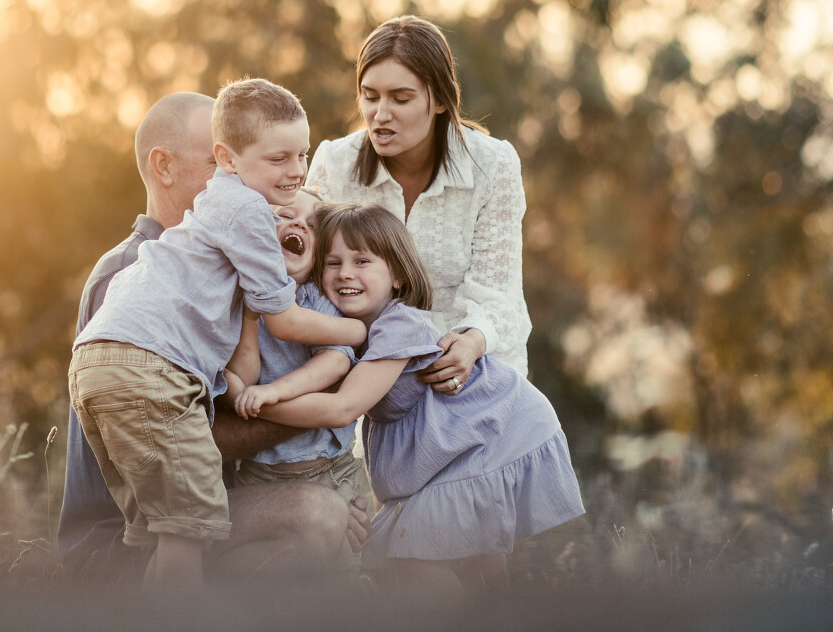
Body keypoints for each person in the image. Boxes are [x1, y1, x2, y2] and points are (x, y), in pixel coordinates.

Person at [68, 81, 367, 587]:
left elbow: (236, 380)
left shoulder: (214, 254)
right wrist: (340, 386)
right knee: (206, 532)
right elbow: (199, 426)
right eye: (216, 162)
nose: (293, 173)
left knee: (320, 528)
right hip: (110, 547)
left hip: (159, 489)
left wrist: (329, 480)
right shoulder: (135, 271)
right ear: (166, 166)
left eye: (301, 157)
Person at [245, 203, 584, 586]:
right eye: (332, 263)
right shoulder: (341, 324)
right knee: (460, 562)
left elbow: (343, 407)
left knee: (415, 562)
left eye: (362, 261)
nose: (345, 273)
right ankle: (494, 607)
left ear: (399, 277)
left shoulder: (401, 323)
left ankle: (487, 607)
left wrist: (260, 402)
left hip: (485, 431)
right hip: (446, 444)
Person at [305, 15, 532, 390]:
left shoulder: (493, 165)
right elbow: (309, 278)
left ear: (441, 99)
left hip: (472, 370)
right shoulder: (335, 162)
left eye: (401, 98)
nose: (380, 114)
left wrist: (471, 343)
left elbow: (499, 294)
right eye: (370, 96)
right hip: (361, 374)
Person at [224, 189, 366, 510]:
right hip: (258, 471)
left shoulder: (315, 298)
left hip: (328, 467)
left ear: (319, 258)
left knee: (338, 539)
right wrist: (250, 317)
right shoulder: (235, 299)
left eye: (313, 226)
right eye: (285, 216)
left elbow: (335, 362)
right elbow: (244, 378)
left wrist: (275, 392)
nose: (300, 224)